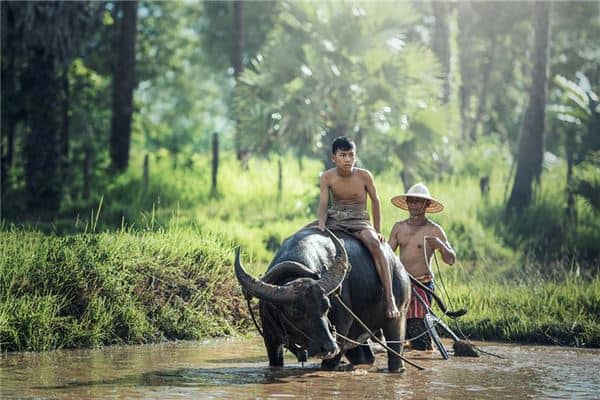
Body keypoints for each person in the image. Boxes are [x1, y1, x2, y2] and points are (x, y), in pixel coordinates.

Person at [316, 136, 400, 319]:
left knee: (376, 246)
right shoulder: (327, 177)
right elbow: (323, 204)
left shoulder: (364, 176)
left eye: (351, 155)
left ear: (356, 156)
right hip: (336, 219)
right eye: (343, 155)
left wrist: (377, 230)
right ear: (334, 158)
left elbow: (375, 201)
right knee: (305, 235)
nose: (347, 159)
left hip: (359, 220)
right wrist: (321, 223)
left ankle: (389, 297)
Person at [388, 183, 456, 350]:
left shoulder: (434, 230)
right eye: (411, 201)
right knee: (395, 325)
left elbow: (451, 260)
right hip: (401, 284)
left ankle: (424, 350)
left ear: (426, 205)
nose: (414, 205)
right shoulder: (399, 227)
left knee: (418, 327)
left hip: (422, 285)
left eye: (418, 202)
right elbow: (388, 255)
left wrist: (440, 245)